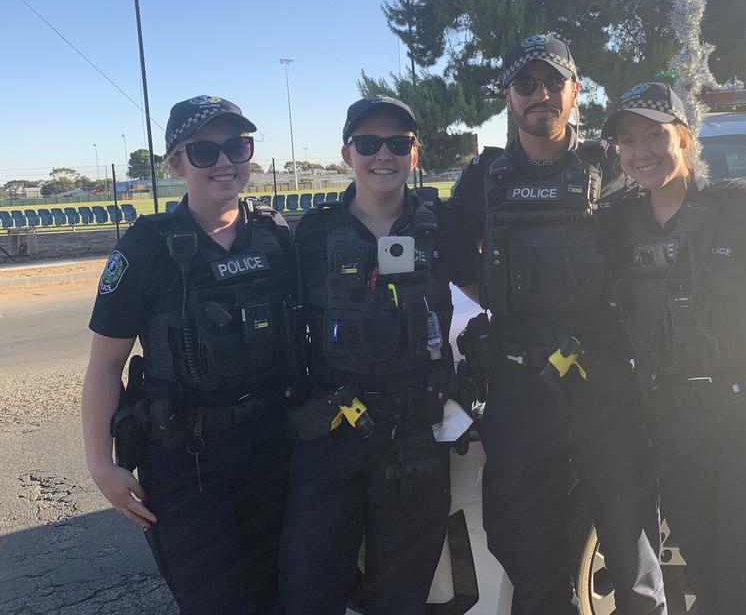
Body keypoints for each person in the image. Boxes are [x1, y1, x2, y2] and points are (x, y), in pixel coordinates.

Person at [603, 81, 746, 615]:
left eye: (655, 135)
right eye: (627, 141)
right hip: (677, 430)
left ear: (684, 138)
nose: (641, 152)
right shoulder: (619, 223)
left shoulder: (742, 211)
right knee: (708, 588)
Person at [450, 35, 666, 614]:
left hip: (604, 388)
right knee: (525, 549)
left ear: (575, 93)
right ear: (508, 97)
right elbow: (446, 256)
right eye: (526, 85)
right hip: (520, 390)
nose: (540, 95)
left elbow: (667, 234)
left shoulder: (611, 167)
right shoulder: (483, 179)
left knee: (633, 553)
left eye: (553, 83)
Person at [82, 95, 295, 614]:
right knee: (214, 600)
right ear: (176, 163)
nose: (224, 162)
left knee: (279, 593)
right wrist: (100, 467)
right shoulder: (147, 246)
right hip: (187, 460)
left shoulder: (274, 233)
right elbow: (105, 364)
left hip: (273, 447)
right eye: (204, 151)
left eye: (236, 146)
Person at [279, 95, 475, 615]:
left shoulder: (443, 225)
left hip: (414, 436)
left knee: (400, 599)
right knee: (308, 592)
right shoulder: (312, 235)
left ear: (415, 153)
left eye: (397, 143)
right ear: (347, 154)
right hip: (331, 436)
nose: (382, 155)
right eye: (368, 143)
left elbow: (493, 298)